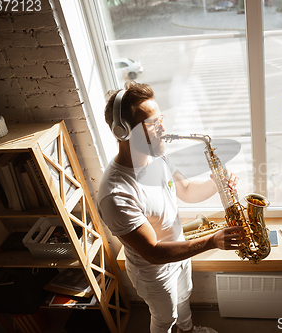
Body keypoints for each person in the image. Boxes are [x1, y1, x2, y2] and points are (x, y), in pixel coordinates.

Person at [97, 81, 247, 333]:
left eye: (161, 119)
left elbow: (186, 190)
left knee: (183, 299)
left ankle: (188, 331)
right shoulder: (116, 194)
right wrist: (212, 241)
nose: (163, 129)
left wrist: (217, 184)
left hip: (180, 253)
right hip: (154, 272)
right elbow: (153, 252)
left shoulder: (157, 156)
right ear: (123, 132)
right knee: (165, 319)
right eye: (152, 124)